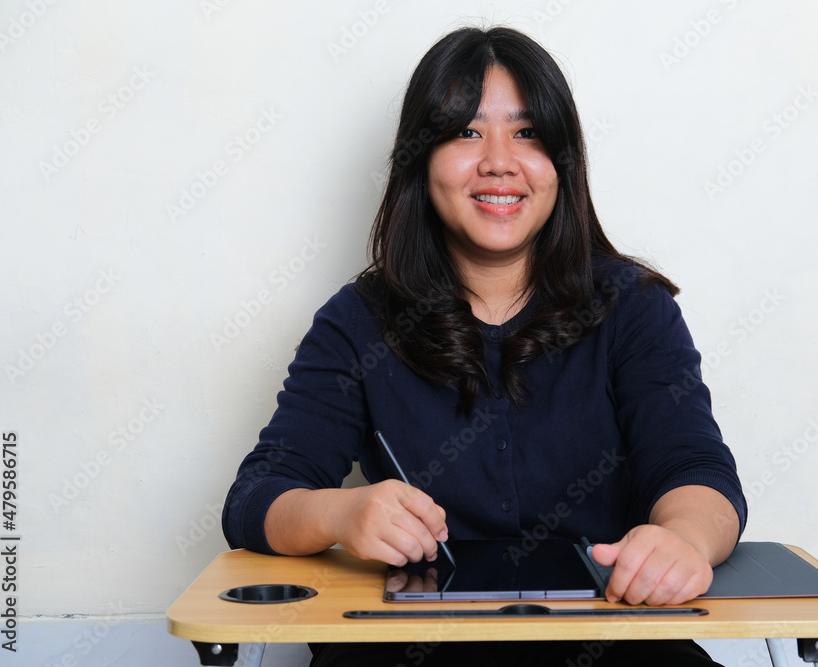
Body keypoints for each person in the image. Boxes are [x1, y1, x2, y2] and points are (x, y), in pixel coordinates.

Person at [223, 25, 746, 667]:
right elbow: (257, 498)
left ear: (563, 161)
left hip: (610, 642)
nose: (499, 160)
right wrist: (341, 513)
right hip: (408, 650)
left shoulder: (634, 308)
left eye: (526, 133)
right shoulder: (357, 320)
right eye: (467, 132)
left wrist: (684, 540)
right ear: (421, 158)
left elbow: (697, 469)